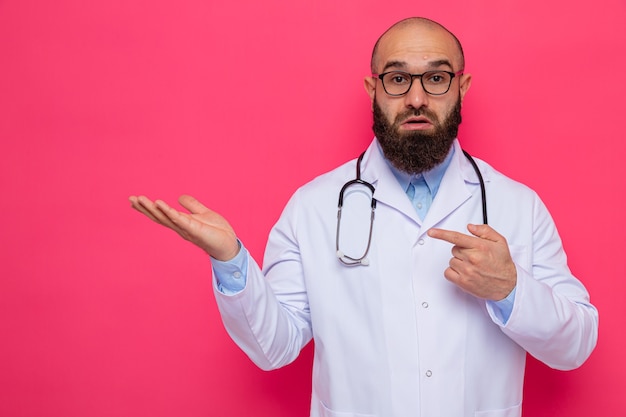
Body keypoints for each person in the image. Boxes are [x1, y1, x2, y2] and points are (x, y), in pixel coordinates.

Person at [129, 17, 598, 417]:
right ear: (374, 88)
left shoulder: (518, 205)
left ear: (462, 86)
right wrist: (231, 260)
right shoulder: (314, 205)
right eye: (398, 79)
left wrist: (511, 290)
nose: (417, 98)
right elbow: (274, 346)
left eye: (436, 78)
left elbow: (574, 347)